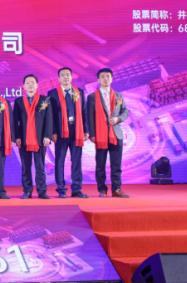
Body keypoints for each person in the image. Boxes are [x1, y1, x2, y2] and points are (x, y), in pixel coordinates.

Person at [87, 68, 130, 198]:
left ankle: (116, 189)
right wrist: (92, 134)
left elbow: (125, 112)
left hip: (116, 134)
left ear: (111, 79)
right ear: (98, 79)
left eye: (108, 76)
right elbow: (89, 117)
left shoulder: (118, 96)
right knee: (100, 165)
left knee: (116, 164)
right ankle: (102, 189)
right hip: (100, 135)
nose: (106, 79)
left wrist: (118, 119)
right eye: (103, 76)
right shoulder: (92, 97)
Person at [48, 67, 89, 198]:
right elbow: (50, 115)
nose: (66, 77)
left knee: (76, 160)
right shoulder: (52, 93)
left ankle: (77, 189)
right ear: (59, 78)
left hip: (76, 130)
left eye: (68, 75)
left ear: (71, 77)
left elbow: (84, 112)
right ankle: (61, 189)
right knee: (60, 161)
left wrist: (86, 130)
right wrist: (53, 131)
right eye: (63, 75)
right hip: (60, 131)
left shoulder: (79, 92)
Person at [14, 74, 53, 199]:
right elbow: (15, 121)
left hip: (40, 138)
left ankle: (42, 191)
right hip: (24, 139)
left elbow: (49, 120)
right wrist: (17, 137)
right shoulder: (19, 101)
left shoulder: (45, 100)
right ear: (24, 86)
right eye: (28, 82)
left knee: (40, 166)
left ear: (37, 85)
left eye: (33, 82)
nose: (30, 84)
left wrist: (47, 136)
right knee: (26, 167)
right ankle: (27, 191)